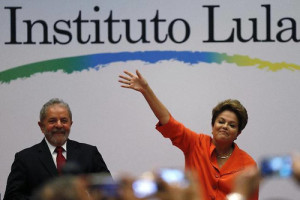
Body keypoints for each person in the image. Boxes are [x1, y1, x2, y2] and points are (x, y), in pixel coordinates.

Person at [118, 70, 258, 200]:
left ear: (238, 133)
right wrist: (146, 90)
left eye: (232, 125)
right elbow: (168, 121)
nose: (225, 127)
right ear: (212, 125)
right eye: (221, 122)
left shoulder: (248, 164)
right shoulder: (196, 143)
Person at [3, 98, 111, 200]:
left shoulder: (89, 153)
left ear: (70, 124)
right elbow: (12, 197)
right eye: (52, 121)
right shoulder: (25, 158)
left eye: (64, 120)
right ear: (41, 126)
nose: (59, 125)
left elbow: (110, 190)